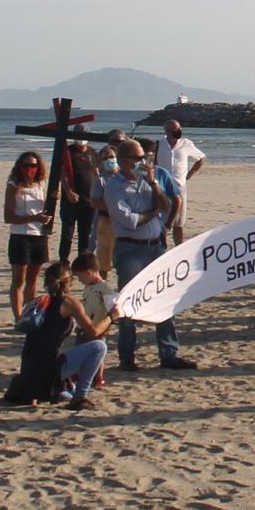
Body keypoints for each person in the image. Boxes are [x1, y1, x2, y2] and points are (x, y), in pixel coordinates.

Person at [106, 139, 197, 371]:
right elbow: (130, 220)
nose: (142, 162)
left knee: (165, 297)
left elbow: (167, 205)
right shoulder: (114, 186)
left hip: (155, 245)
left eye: (144, 158)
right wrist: (152, 212)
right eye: (136, 159)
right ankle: (127, 357)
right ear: (123, 160)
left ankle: (169, 353)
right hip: (130, 249)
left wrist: (153, 184)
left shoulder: (153, 177)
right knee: (128, 301)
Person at [5, 256, 113, 411]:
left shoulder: (39, 301)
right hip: (50, 367)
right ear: (69, 282)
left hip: (29, 367)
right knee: (99, 346)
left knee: (64, 375)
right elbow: (93, 332)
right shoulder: (69, 303)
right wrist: (111, 317)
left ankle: (66, 390)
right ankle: (80, 396)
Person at [4, 151, 54, 320]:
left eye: (33, 166)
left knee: (33, 279)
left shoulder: (41, 184)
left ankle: (28, 314)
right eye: (26, 165)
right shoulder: (14, 185)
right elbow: (8, 216)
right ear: (20, 167)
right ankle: (18, 316)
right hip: (20, 235)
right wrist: (34, 217)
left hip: (38, 235)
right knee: (19, 279)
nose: (29, 169)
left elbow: (47, 207)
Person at [153, 119, 207, 245]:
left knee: (179, 222)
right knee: (162, 219)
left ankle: (179, 246)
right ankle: (162, 247)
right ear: (167, 132)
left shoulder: (186, 144)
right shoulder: (159, 144)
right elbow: (154, 164)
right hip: (162, 187)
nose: (179, 131)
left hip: (179, 186)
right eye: (175, 129)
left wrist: (190, 174)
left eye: (179, 128)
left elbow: (202, 158)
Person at [56, 139, 97, 263]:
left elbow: (96, 172)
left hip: (88, 201)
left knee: (85, 234)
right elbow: (62, 174)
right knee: (67, 233)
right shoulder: (68, 152)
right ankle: (63, 260)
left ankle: (82, 260)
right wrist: (68, 192)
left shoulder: (92, 152)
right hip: (71, 201)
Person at [90, 143, 122, 275]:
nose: (109, 160)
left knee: (123, 257)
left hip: (126, 222)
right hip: (106, 221)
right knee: (104, 259)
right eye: (105, 158)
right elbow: (95, 202)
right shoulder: (100, 179)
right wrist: (114, 209)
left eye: (111, 156)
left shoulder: (126, 175)